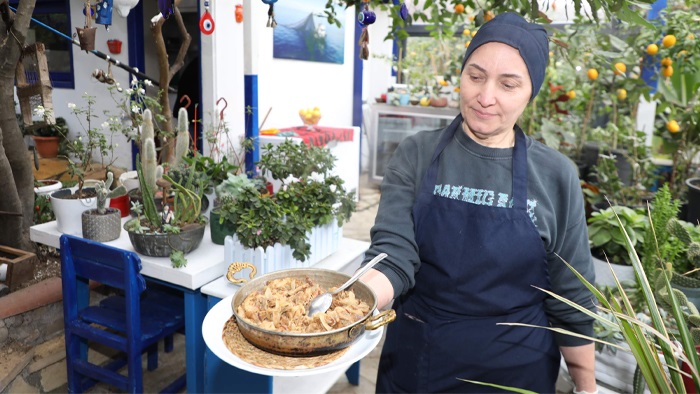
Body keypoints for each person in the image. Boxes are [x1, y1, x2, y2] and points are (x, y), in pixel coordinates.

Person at [358, 12, 597, 393]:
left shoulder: (556, 175)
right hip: (419, 362)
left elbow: (571, 297)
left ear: (530, 92)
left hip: (517, 372)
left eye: (508, 84)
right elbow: (393, 254)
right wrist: (353, 304)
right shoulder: (416, 154)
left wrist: (586, 386)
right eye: (475, 76)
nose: (486, 97)